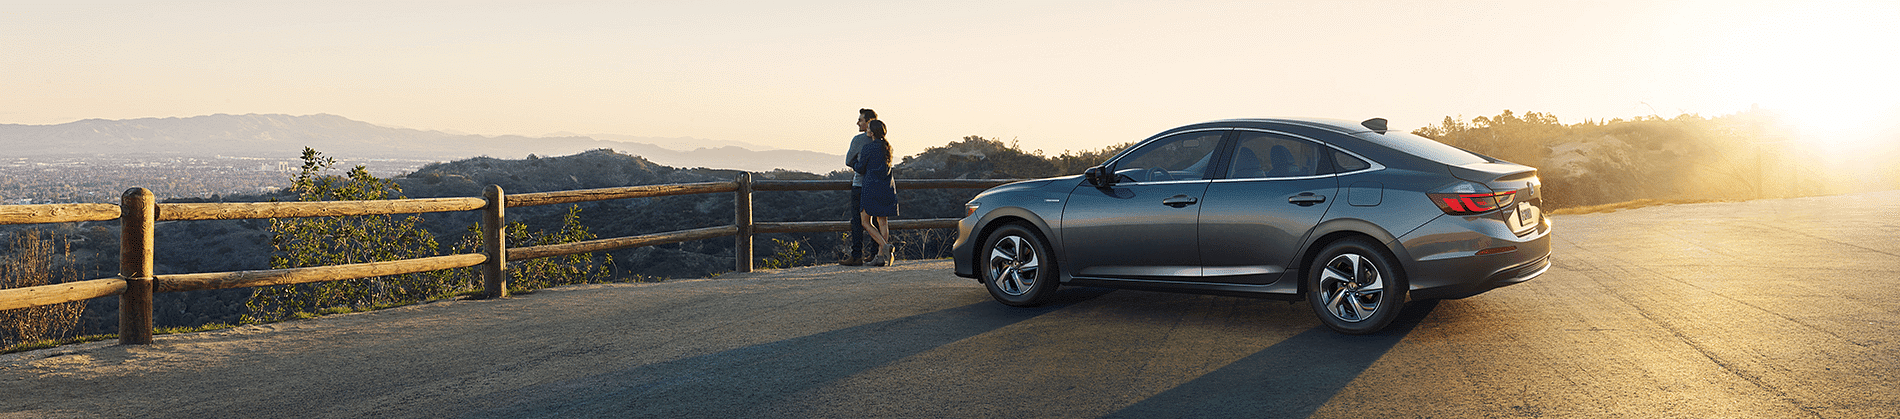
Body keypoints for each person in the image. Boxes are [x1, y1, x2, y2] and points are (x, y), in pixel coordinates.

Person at [851, 119, 899, 266]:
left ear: (871, 132)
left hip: (871, 188)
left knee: (865, 221)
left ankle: (885, 247)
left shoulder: (868, 148)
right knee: (883, 222)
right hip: (886, 187)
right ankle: (880, 257)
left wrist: (853, 162)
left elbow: (860, 168)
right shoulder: (887, 147)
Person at [840, 108, 877, 266]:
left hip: (860, 185)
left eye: (860, 120)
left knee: (857, 221)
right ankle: (876, 254)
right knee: (876, 218)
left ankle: (856, 256)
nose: (857, 122)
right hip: (876, 184)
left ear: (868, 122)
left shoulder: (858, 140)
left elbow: (848, 160)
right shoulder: (882, 141)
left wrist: (859, 166)